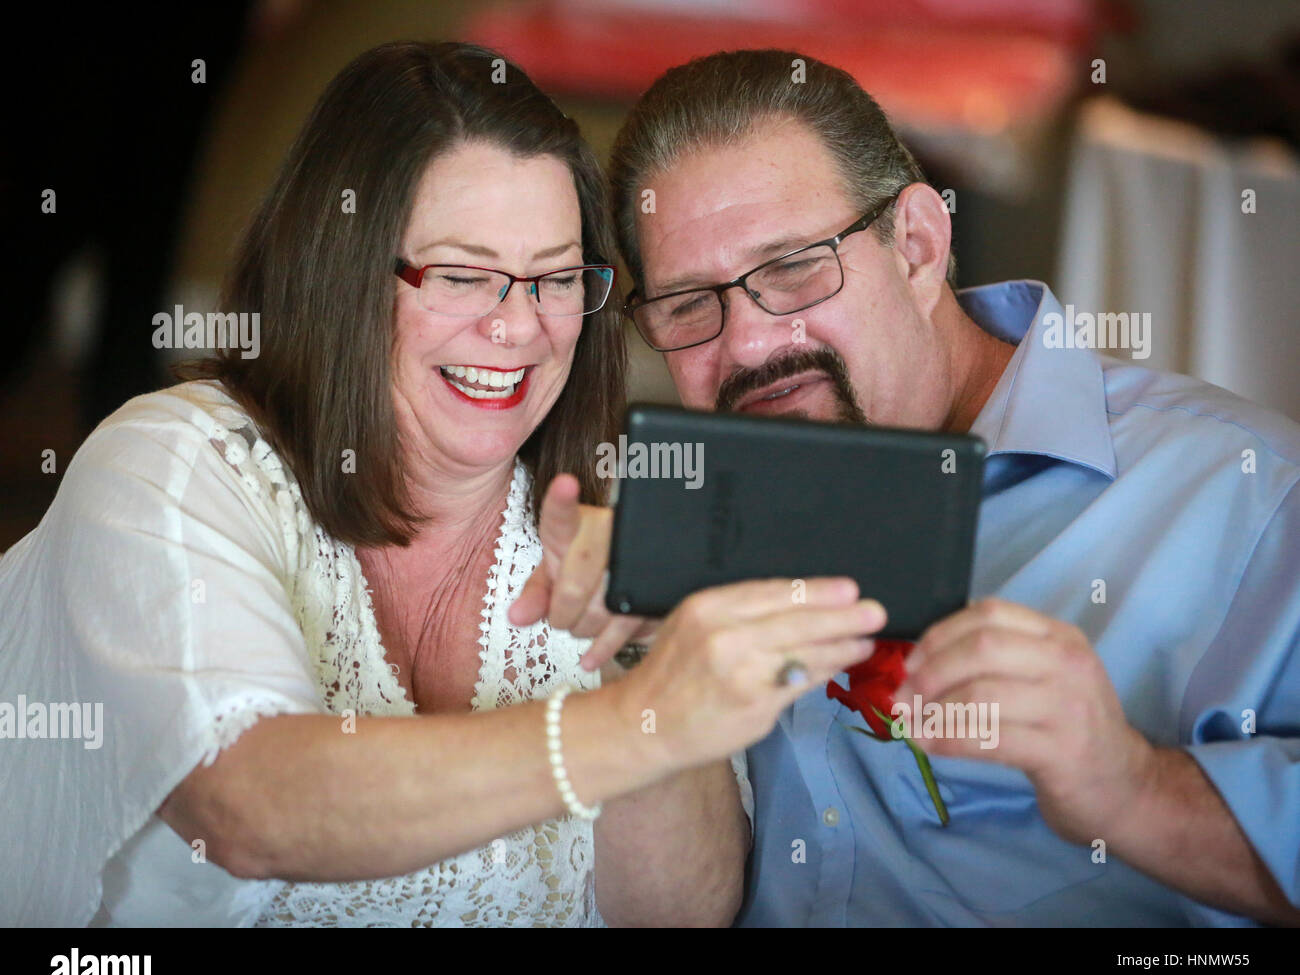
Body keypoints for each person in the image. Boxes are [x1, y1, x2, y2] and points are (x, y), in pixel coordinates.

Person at [0, 41, 887, 928]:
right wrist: (633, 722)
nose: (517, 328)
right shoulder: (170, 465)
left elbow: (678, 917)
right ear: (340, 273)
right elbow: (248, 807)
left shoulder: (594, 529)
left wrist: (630, 664)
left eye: (553, 280)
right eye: (463, 275)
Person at [519, 49, 1300, 926]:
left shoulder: (1249, 498)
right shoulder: (687, 512)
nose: (745, 345)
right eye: (692, 304)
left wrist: (1130, 787)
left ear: (920, 247)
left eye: (795, 267)